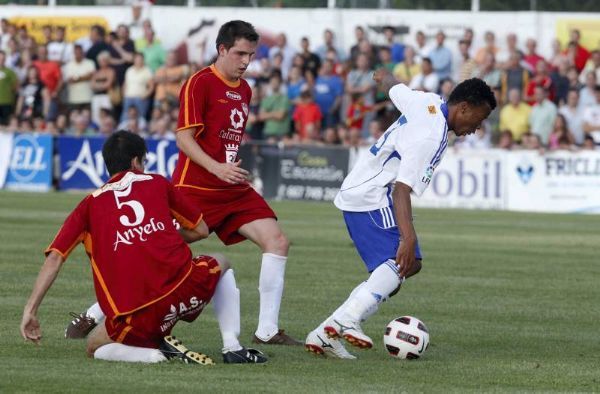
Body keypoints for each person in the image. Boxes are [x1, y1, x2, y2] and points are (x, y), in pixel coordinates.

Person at [21, 130, 267, 365]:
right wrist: (160, 237)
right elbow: (201, 229)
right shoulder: (157, 183)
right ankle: (232, 346)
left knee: (95, 346)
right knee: (221, 261)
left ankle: (155, 354)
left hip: (139, 314)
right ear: (137, 161)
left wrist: (30, 311)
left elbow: (54, 259)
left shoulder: (87, 206)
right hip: (187, 289)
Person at [305, 73, 496, 358]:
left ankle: (326, 333)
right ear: (465, 107)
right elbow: (401, 191)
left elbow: (392, 85)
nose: (476, 128)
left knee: (406, 265)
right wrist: (408, 236)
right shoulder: (432, 136)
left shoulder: (427, 101)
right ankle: (348, 319)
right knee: (401, 259)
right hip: (373, 193)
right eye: (478, 120)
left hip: (364, 188)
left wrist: (382, 75)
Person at [171, 20, 299, 345]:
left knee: (278, 242)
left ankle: (267, 331)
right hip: (196, 185)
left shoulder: (245, 89)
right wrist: (217, 167)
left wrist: (227, 167)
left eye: (251, 55)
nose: (246, 61)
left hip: (231, 186)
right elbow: (184, 139)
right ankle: (101, 308)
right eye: (240, 53)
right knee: (161, 247)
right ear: (222, 49)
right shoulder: (198, 83)